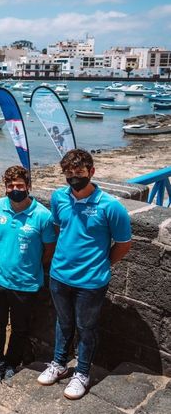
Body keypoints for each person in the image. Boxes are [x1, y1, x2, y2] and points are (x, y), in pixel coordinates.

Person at [37, 149, 131, 399]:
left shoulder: (110, 206)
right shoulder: (59, 198)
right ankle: (58, 363)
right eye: (69, 172)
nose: (74, 177)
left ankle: (82, 372)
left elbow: (123, 244)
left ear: (91, 172)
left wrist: (102, 264)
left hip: (91, 282)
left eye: (79, 172)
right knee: (63, 322)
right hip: (59, 275)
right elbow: (59, 228)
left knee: (86, 327)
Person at [0, 165, 57, 390]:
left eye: (20, 186)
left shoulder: (43, 216)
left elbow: (49, 249)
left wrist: (30, 266)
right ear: (5, 187)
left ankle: (11, 363)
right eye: (11, 186)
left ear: (28, 187)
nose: (15, 189)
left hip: (25, 282)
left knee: (20, 328)